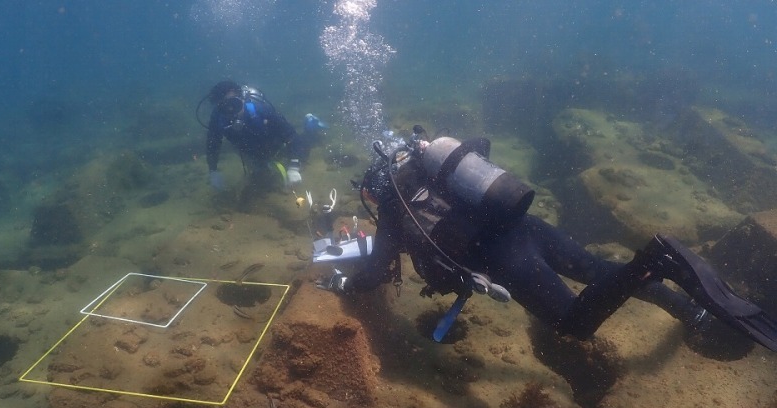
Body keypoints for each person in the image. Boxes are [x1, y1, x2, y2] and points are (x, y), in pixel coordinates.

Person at [316, 127, 777, 357]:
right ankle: (691, 310)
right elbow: (480, 144)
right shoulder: (437, 175)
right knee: (597, 271)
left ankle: (653, 259)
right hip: (525, 227)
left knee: (574, 323)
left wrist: (341, 285)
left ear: (375, 190)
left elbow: (377, 271)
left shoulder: (396, 205)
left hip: (507, 260)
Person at [197, 80, 327, 192]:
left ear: (242, 99)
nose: (230, 111)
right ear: (218, 107)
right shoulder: (218, 119)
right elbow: (213, 145)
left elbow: (291, 136)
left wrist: (294, 167)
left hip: (279, 144)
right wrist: (213, 171)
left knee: (304, 149)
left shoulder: (260, 110)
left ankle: (310, 125)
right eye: (224, 107)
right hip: (255, 153)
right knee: (262, 180)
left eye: (234, 104)